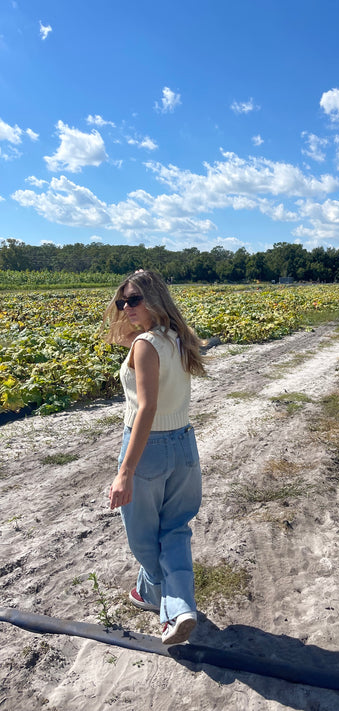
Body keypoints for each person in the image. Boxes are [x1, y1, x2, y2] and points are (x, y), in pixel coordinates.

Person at [102, 269, 206, 645]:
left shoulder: (146, 345)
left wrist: (125, 472)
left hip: (149, 447)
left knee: (144, 538)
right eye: (122, 301)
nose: (126, 307)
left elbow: (146, 408)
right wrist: (137, 325)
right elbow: (128, 336)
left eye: (134, 300)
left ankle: (166, 601)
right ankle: (171, 605)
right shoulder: (178, 337)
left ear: (155, 299)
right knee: (175, 529)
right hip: (184, 444)